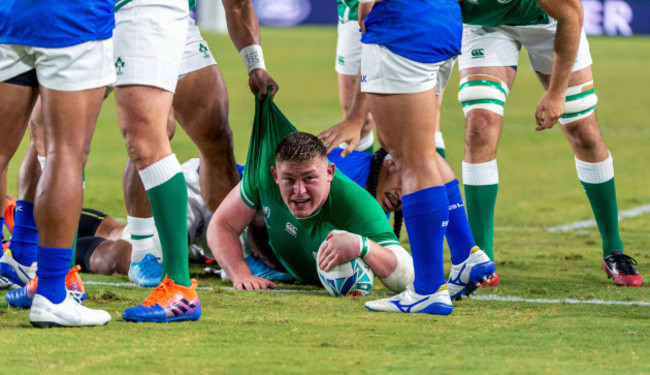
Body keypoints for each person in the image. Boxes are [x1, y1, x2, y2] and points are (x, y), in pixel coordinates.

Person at [456, 0, 643, 287]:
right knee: (479, 128)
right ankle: (480, 259)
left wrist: (556, 93)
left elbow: (571, 13)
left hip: (549, 20)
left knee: (584, 132)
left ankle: (613, 249)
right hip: (485, 25)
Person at [113, 0, 278, 323]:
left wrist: (254, 64)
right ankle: (143, 253)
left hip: (170, 19)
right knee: (148, 136)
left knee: (215, 132)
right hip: (113, 13)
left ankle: (232, 248)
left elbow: (238, 4)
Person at [352, 0, 498, 315]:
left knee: (408, 158)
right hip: (442, 20)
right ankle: (465, 254)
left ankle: (427, 289)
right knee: (418, 149)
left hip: (401, 25)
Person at [207, 96, 416, 294]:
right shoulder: (262, 176)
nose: (299, 191)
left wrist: (363, 246)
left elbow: (406, 276)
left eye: (309, 179)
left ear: (330, 173)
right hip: (210, 203)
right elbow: (221, 224)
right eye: (289, 179)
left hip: (255, 239)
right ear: (275, 175)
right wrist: (240, 273)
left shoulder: (358, 204)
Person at [0, 0, 114, 327]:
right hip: (73, 17)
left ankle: (23, 262)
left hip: (9, 16)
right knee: (65, 152)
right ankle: (51, 292)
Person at [320, 0, 448, 159]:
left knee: (420, 121)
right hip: (356, 12)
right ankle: (361, 183)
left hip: (413, 13)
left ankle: (425, 182)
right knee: (357, 120)